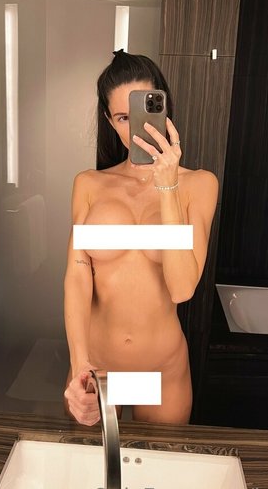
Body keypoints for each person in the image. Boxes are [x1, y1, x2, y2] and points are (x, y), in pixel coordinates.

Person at [63, 50, 218, 425]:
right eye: (122, 117)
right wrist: (79, 362)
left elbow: (182, 288)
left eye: (143, 114)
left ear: (163, 107)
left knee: (157, 460)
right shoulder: (89, 184)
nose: (135, 128)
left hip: (160, 373)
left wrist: (167, 187)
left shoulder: (199, 185)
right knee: (93, 461)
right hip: (97, 369)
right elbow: (78, 276)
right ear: (109, 120)